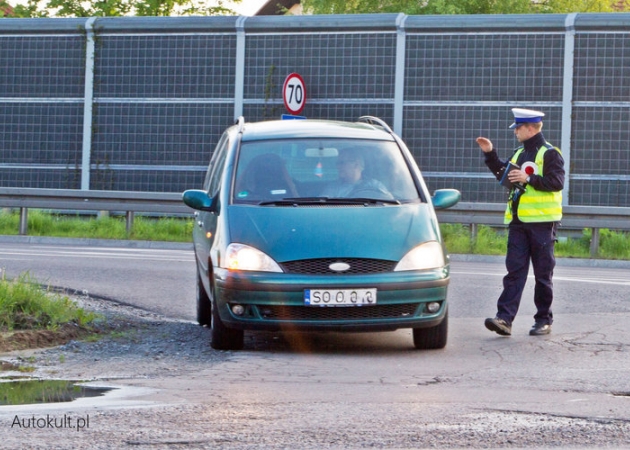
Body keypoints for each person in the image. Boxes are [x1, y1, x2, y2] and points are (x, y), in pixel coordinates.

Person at [476, 108, 565, 337]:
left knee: (543, 275)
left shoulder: (550, 153)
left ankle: (543, 320)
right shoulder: (518, 154)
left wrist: (529, 178)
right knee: (514, 272)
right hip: (518, 223)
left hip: (543, 224)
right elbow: (503, 175)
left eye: (518, 127)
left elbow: (557, 182)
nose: (515, 131)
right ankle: (504, 319)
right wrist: (490, 154)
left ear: (530, 128)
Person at [321, 147, 392, 199]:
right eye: (337, 163)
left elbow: (389, 200)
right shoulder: (334, 187)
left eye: (341, 163)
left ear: (356, 164)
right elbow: (322, 204)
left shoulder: (375, 185)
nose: (337, 166)